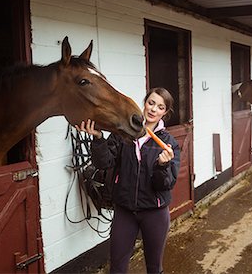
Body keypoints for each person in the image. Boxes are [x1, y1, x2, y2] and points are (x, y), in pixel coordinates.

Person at [75, 87, 180, 274]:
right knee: (117, 268)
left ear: (165, 112)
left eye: (160, 107)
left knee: (154, 268)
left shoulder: (169, 143)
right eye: (151, 103)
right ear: (145, 103)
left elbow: (166, 184)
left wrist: (162, 166)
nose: (153, 109)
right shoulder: (123, 133)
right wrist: (98, 139)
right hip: (125, 211)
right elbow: (103, 163)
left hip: (154, 212)